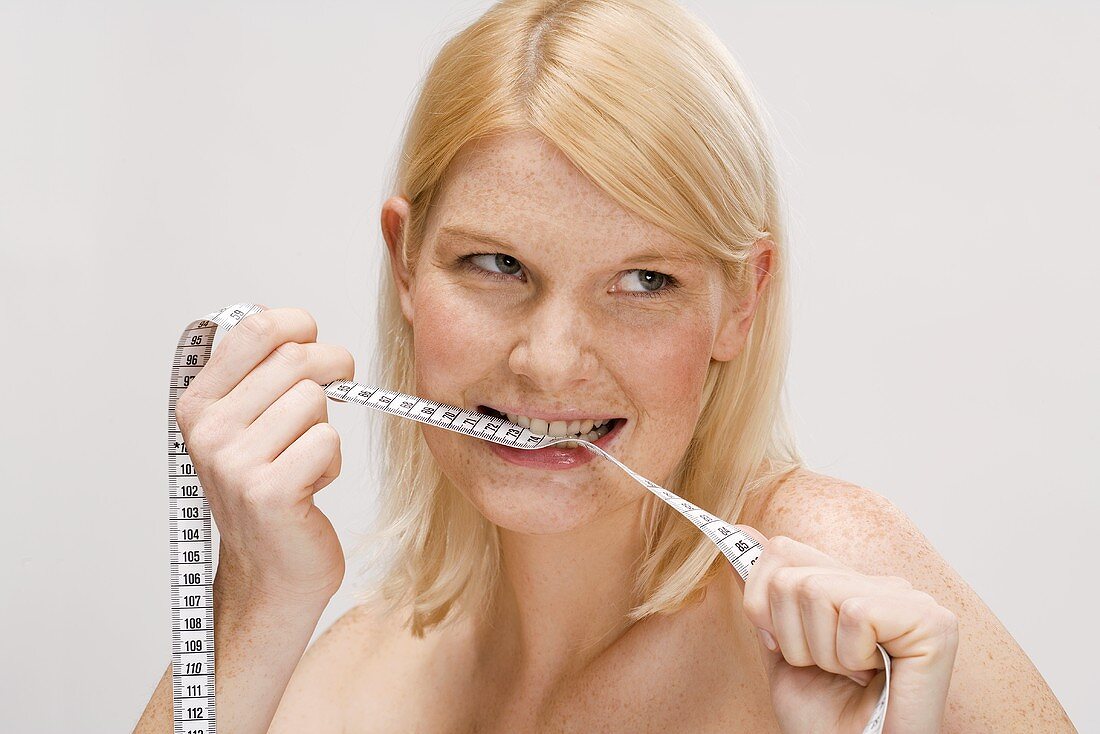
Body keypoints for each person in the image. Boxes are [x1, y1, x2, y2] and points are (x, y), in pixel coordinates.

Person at [136, 1, 1077, 731]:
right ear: (406, 264)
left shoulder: (836, 591)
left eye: (642, 279)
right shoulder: (346, 682)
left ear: (739, 302)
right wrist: (255, 601)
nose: (549, 362)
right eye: (496, 265)